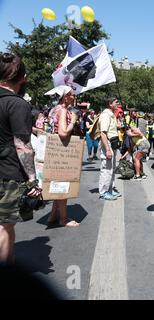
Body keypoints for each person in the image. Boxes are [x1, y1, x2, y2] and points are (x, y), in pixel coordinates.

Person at [0, 53, 41, 265]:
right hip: (6, 175)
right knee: (5, 228)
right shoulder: (17, 105)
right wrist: (33, 180)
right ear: (23, 77)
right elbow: (22, 146)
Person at [46, 86, 81, 228]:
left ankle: (53, 215)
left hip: (54, 152)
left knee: (58, 183)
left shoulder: (55, 109)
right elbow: (63, 133)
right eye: (72, 95)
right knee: (63, 184)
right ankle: (64, 219)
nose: (74, 97)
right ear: (65, 97)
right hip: (62, 152)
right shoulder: (64, 110)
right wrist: (72, 121)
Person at [98, 97, 121, 201]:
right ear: (110, 104)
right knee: (106, 169)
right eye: (116, 102)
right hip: (107, 145)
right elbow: (103, 133)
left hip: (113, 145)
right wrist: (107, 149)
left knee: (111, 168)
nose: (118, 104)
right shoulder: (106, 115)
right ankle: (104, 192)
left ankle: (110, 189)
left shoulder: (111, 115)